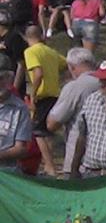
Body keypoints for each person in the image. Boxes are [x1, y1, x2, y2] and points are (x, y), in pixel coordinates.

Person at [22, 25, 65, 166]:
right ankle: (49, 164)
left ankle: (49, 166)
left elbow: (38, 73)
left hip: (42, 94)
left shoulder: (30, 52)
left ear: (26, 38)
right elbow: (65, 64)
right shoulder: (50, 51)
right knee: (47, 132)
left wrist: (33, 94)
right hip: (54, 93)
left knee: (38, 132)